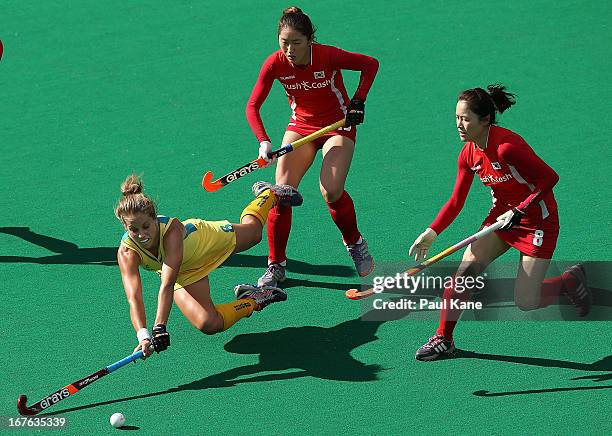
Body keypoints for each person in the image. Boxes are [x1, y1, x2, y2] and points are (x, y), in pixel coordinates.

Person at [409, 84, 591, 361]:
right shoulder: (469, 153)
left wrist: (520, 209)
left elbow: (549, 178)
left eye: (465, 119)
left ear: (485, 120)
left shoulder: (507, 147)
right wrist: (431, 233)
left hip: (537, 221)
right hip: (501, 218)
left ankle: (567, 282)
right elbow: (456, 200)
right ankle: (443, 338)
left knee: (526, 302)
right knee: (465, 274)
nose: (458, 125)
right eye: (456, 118)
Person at [246, 6, 379, 287]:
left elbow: (370, 64)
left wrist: (359, 100)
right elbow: (253, 106)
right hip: (301, 127)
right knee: (280, 194)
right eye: (284, 43)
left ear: (309, 40)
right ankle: (276, 265)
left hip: (337, 125)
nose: (290, 50)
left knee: (330, 190)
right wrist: (264, 142)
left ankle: (355, 243)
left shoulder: (328, 55)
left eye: (296, 42)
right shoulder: (275, 64)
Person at [115, 175, 302, 358]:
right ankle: (255, 299)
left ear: (154, 218)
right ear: (125, 226)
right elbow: (134, 297)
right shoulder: (127, 253)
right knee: (208, 323)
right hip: (185, 272)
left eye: (146, 226)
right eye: (133, 229)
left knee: (254, 233)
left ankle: (269, 194)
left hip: (204, 242)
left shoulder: (171, 231)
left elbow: (167, 284)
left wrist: (159, 327)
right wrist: (144, 336)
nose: (141, 235)